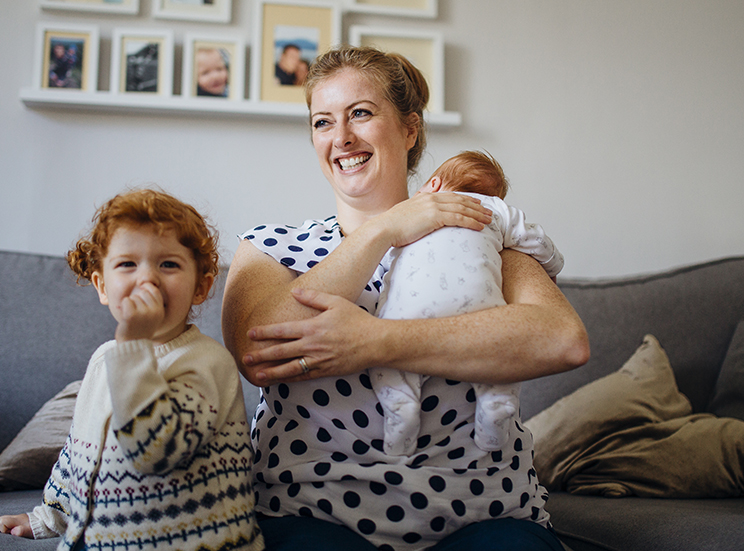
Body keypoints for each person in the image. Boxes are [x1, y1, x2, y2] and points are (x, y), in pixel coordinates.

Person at [222, 46, 589, 551]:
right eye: (322, 122)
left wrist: (375, 342)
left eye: (361, 114)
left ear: (410, 129)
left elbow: (562, 341)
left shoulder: (475, 229)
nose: (342, 137)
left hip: (485, 516)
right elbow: (258, 352)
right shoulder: (272, 247)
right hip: (312, 515)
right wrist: (385, 228)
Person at [0, 189, 264, 551]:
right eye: (127, 264)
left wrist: (133, 345)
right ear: (103, 286)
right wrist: (50, 516)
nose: (147, 280)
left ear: (201, 286)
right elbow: (80, 451)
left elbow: (156, 449)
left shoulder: (206, 363)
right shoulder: (106, 359)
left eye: (168, 264)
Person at [371, 150, 564, 457]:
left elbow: (380, 257)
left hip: (408, 310)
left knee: (385, 359)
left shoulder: (408, 214)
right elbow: (537, 241)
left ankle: (401, 411)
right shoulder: (495, 210)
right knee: (499, 350)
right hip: (477, 307)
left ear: (432, 184)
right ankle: (496, 404)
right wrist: (551, 268)